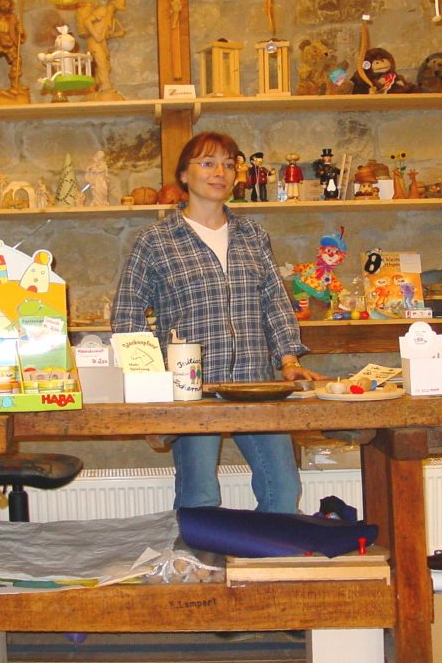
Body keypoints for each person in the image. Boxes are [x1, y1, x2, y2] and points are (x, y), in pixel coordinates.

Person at [112, 131, 323, 513]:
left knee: (283, 490)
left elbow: (274, 301)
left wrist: (289, 359)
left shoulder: (253, 235)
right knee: (200, 496)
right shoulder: (156, 240)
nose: (220, 172)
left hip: (255, 383)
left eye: (228, 164)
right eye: (208, 163)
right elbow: (127, 314)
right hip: (191, 389)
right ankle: (199, 553)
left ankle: (265, 552)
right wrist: (148, 377)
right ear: (183, 174)